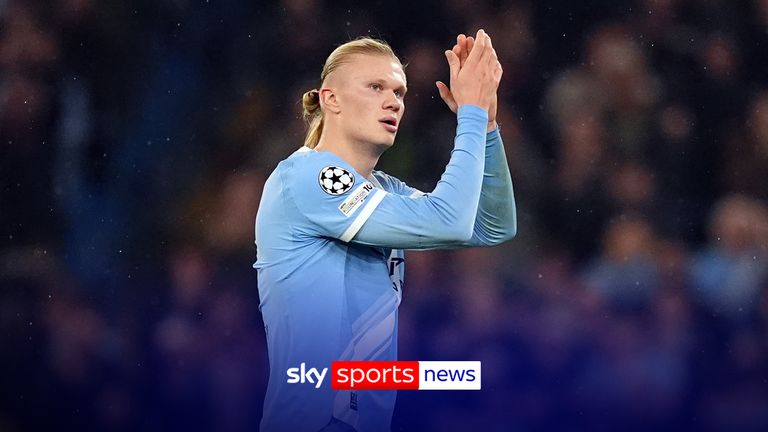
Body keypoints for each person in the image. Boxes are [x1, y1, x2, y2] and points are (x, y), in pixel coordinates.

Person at [254, 29, 516, 432]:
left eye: (400, 92)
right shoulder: (308, 178)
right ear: (331, 99)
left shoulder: (384, 190)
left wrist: (487, 127)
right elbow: (449, 220)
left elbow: (492, 225)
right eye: (375, 86)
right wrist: (470, 115)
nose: (393, 101)